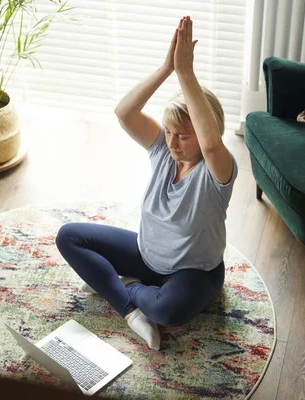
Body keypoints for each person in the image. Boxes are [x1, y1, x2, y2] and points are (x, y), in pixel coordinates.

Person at [55, 15, 238, 350]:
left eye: (183, 136)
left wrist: (186, 74)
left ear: (205, 133)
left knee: (169, 310)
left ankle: (125, 288)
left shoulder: (216, 173)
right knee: (69, 237)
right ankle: (131, 309)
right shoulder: (163, 152)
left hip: (193, 273)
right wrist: (166, 68)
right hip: (146, 255)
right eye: (168, 132)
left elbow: (211, 145)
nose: (172, 142)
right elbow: (124, 112)